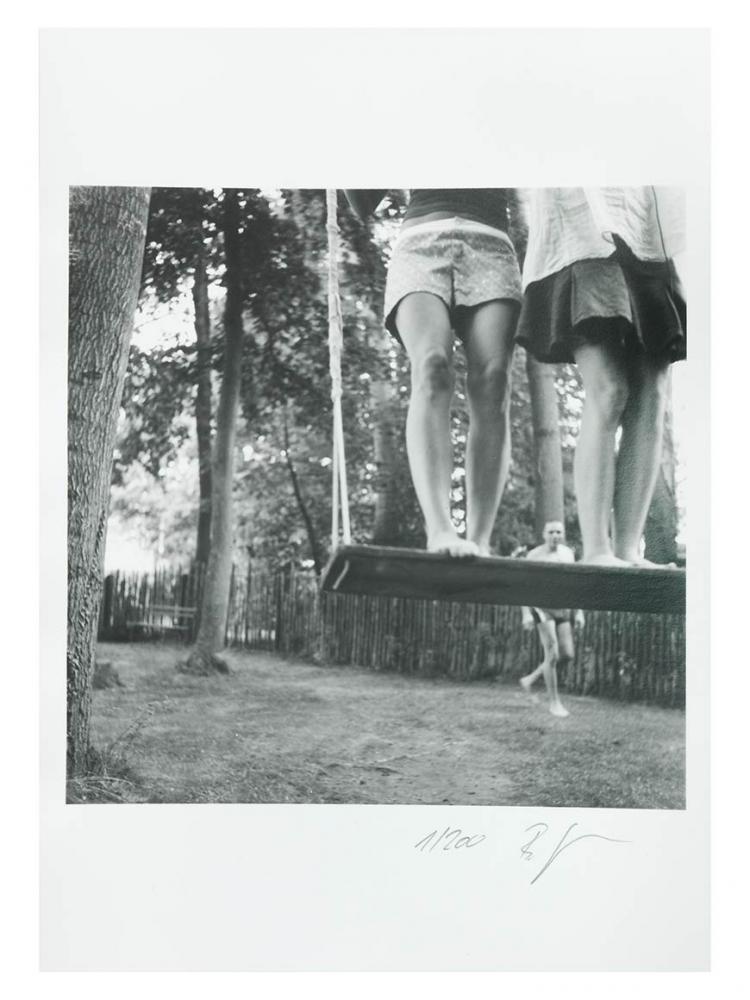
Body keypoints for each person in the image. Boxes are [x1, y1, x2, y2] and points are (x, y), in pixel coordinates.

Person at [344, 189, 523, 557]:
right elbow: (361, 202)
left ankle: (479, 538)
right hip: (421, 240)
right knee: (432, 367)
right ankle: (440, 529)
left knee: (494, 380)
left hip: (492, 243)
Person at [516, 187, 686, 567]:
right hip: (582, 231)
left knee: (652, 394)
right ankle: (596, 549)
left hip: (649, 237)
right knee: (609, 389)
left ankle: (628, 549)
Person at [518, 521, 584, 718]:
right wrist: (526, 613)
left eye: (559, 532)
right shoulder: (534, 556)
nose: (555, 535)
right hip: (541, 607)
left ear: (562, 535)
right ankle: (554, 703)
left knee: (567, 655)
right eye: (551, 532)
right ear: (544, 534)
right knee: (552, 653)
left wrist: (579, 612)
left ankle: (530, 679)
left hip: (562, 608)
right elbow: (523, 587)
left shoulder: (568, 554)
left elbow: (574, 585)